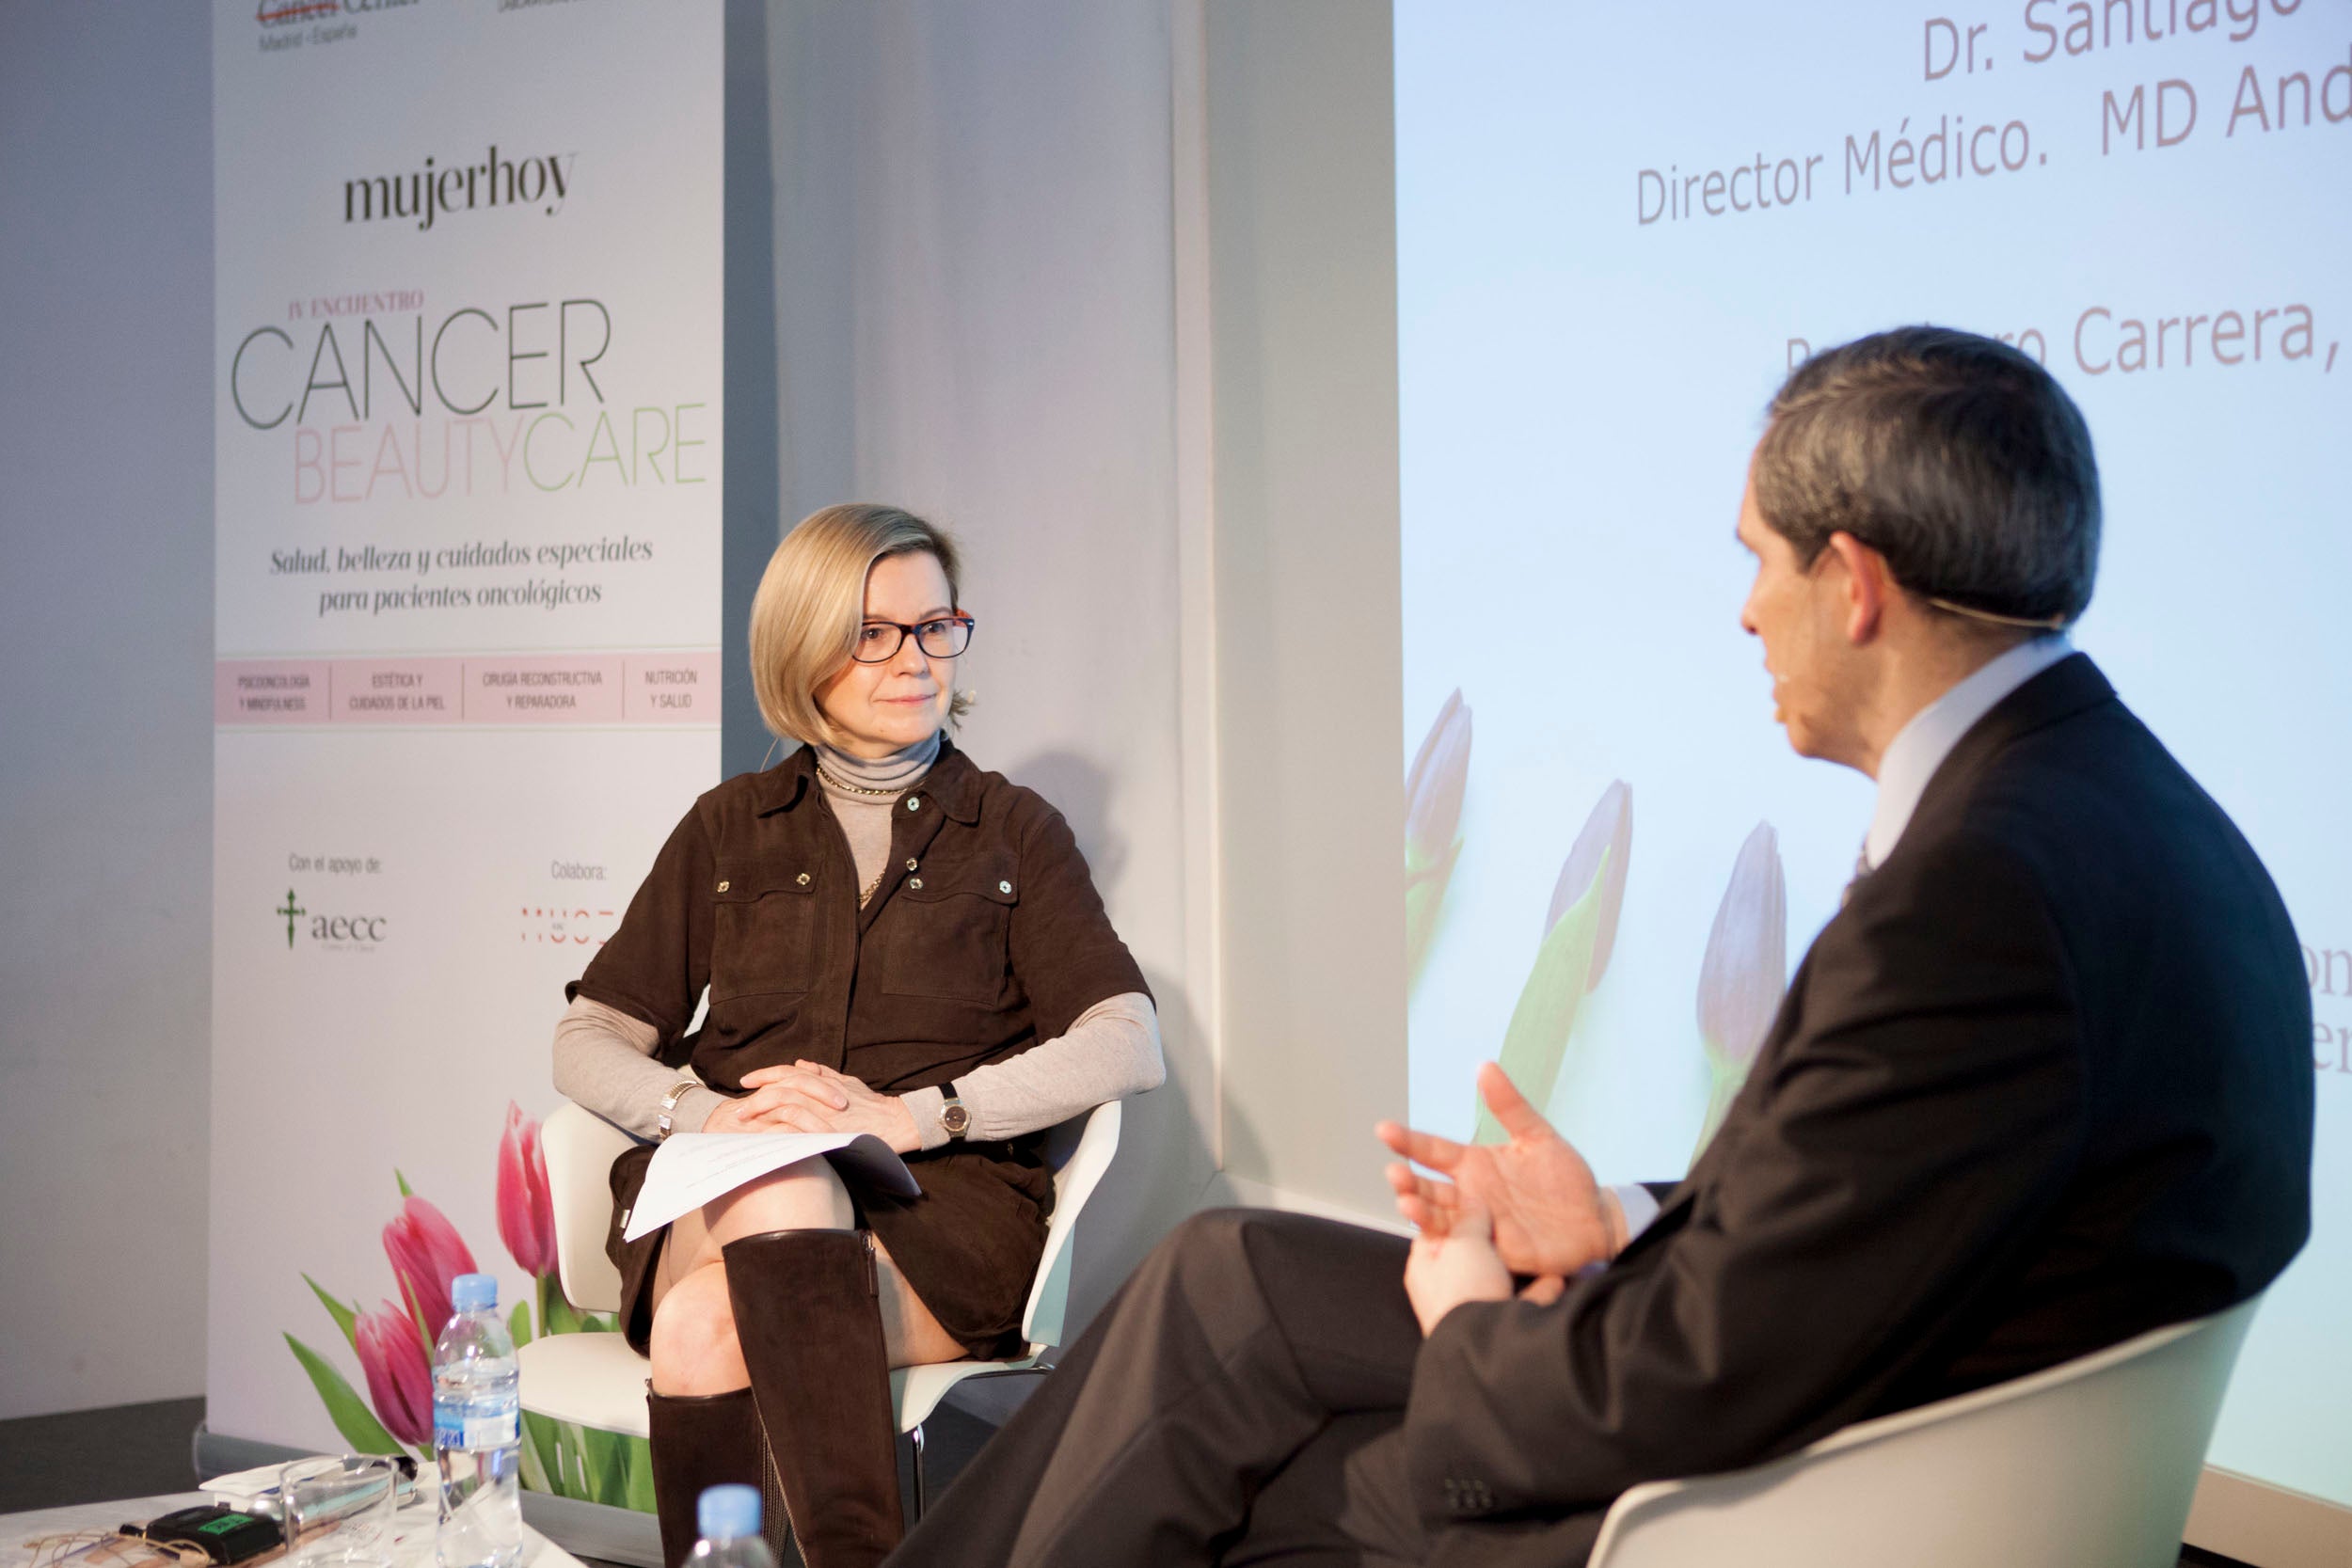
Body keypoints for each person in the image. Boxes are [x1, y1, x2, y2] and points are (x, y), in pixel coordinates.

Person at [881, 327, 2314, 1567]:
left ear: (1856, 582)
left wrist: (1467, 1325)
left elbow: (1701, 1368)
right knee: (1225, 1275)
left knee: (1238, 1473)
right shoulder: (2124, 808)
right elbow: (1898, 1191)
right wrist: (1622, 1215)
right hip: (1866, 1398)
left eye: (1759, 561)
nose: (1746, 607)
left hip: (1802, 1493)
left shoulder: (1976, 899)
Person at [551, 503, 1164, 1568]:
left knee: (703, 1330)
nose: (915, 658)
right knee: (780, 1181)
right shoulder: (728, 827)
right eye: (873, 631)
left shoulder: (1013, 829)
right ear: (805, 645)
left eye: (935, 626)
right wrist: (711, 1113)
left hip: (936, 1212)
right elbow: (589, 1035)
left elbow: (1125, 1039)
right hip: (723, 1184)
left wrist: (917, 1117)